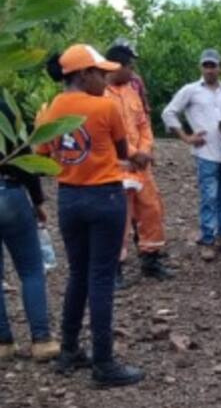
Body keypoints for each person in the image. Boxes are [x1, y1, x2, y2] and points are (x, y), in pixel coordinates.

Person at [37, 44, 143, 387]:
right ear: (83, 75)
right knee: (101, 278)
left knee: (78, 274)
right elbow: (122, 150)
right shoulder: (105, 106)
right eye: (100, 73)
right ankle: (104, 362)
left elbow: (42, 153)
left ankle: (69, 349)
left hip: (69, 199)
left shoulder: (51, 109)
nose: (105, 79)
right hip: (104, 197)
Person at [162, 48, 221, 262]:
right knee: (209, 198)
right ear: (201, 67)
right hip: (206, 153)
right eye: (206, 65)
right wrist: (186, 137)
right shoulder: (191, 90)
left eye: (213, 66)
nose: (209, 70)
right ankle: (208, 240)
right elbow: (168, 112)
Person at [105, 40, 172, 283]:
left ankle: (150, 260)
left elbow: (144, 125)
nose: (133, 72)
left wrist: (144, 150)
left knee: (152, 211)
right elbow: (108, 133)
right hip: (117, 168)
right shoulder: (100, 95)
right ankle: (115, 269)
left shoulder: (132, 92)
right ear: (116, 66)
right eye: (130, 67)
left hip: (141, 168)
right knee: (119, 220)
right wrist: (133, 154)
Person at [0, 95, 57, 363]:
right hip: (10, 191)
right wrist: (37, 201)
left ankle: (3, 343)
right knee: (31, 270)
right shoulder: (5, 106)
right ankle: (41, 340)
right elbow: (24, 157)